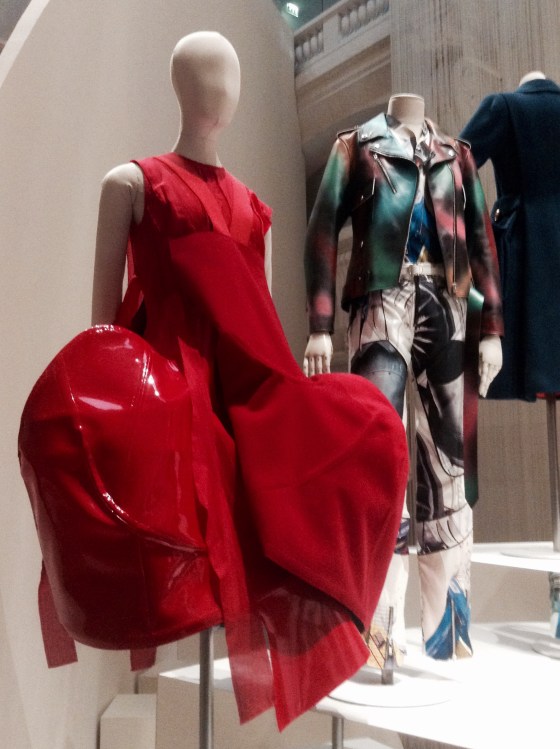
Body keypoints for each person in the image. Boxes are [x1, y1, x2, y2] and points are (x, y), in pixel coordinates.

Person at [91, 32, 408, 727]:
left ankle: (359, 617)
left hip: (246, 397)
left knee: (371, 427)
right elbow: (101, 333)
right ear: (180, 85)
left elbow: (259, 321)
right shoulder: (133, 184)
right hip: (168, 394)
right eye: (208, 74)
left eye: (228, 76)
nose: (221, 88)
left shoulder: (253, 207)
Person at [304, 93, 503, 664]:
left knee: (448, 465)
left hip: (449, 306)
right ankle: (378, 631)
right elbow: (322, 232)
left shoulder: (455, 155)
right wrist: (320, 324)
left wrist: (492, 327)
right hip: (379, 305)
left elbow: (481, 242)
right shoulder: (356, 146)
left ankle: (447, 632)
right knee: (378, 461)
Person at [460, 71, 560, 401]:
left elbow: (455, 164)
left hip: (525, 247)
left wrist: (478, 222)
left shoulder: (504, 107)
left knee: (531, 354)